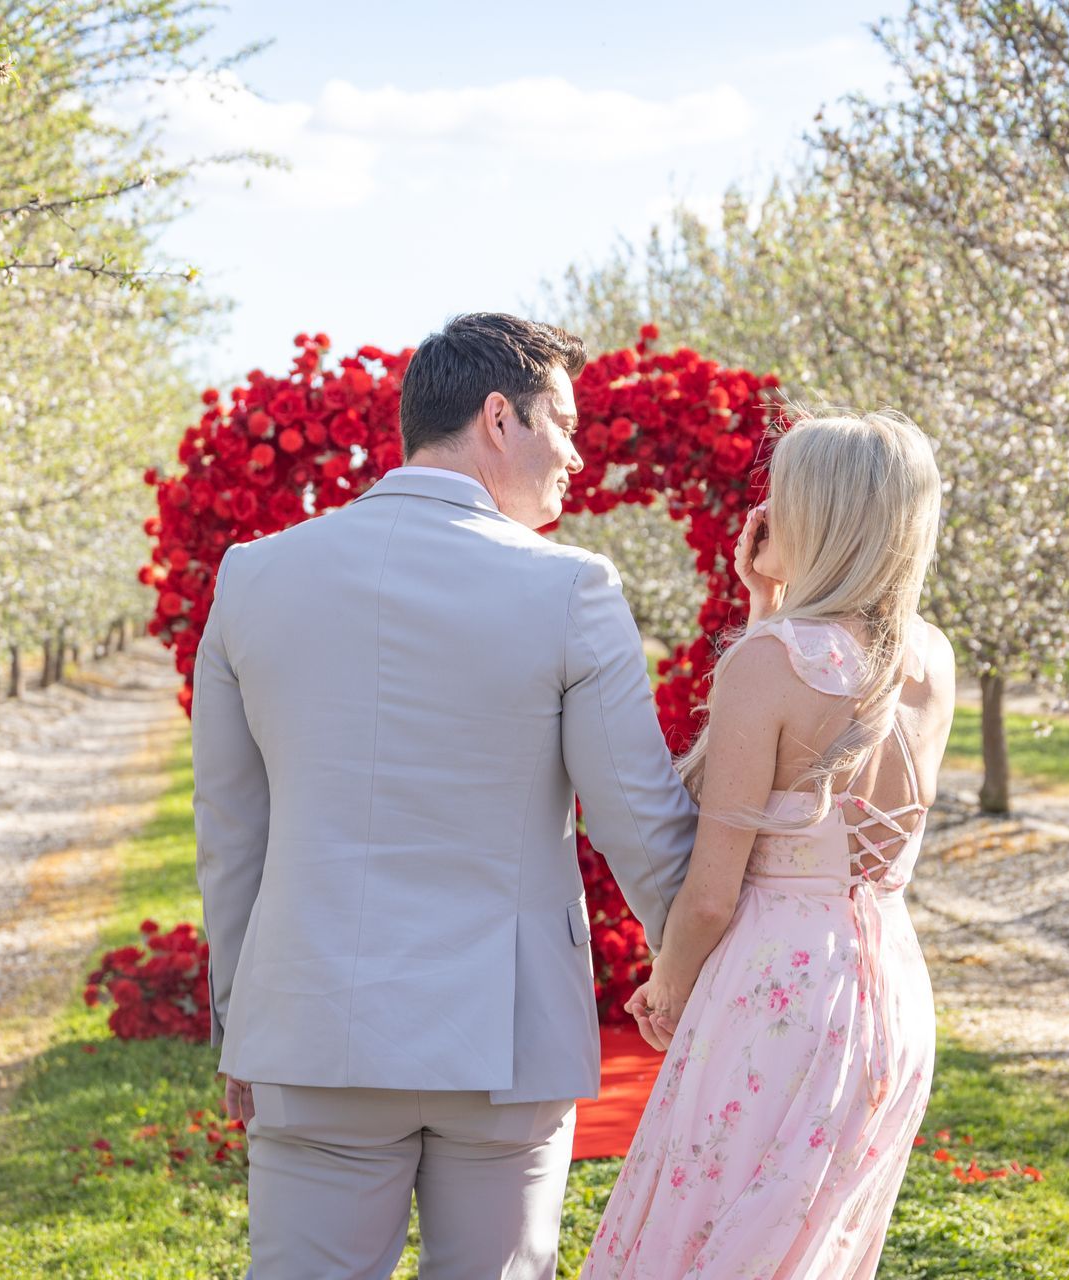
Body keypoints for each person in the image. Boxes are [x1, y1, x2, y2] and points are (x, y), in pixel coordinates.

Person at [190, 312, 697, 1279]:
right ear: (500, 418)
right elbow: (639, 825)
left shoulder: (252, 579)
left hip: (307, 1026)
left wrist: (239, 1019)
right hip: (501, 1041)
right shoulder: (570, 590)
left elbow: (231, 831)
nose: (578, 458)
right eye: (568, 426)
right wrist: (716, 967)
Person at [582, 408, 954, 1278]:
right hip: (890, 991)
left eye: (781, 495)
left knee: (709, 1243)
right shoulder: (933, 659)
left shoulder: (771, 663)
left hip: (780, 988)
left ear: (817, 517)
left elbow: (713, 891)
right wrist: (765, 609)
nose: (767, 513)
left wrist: (666, 987)